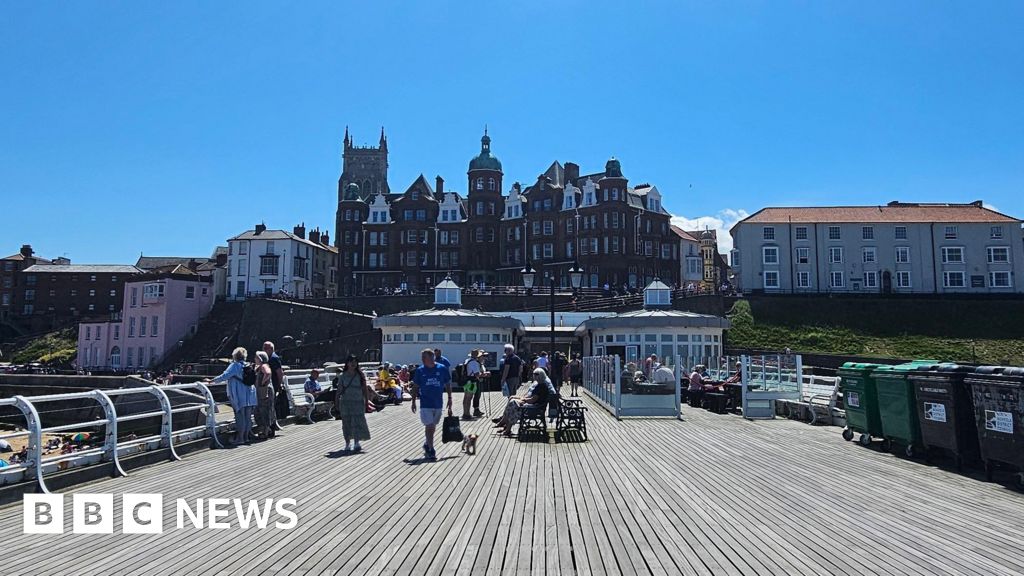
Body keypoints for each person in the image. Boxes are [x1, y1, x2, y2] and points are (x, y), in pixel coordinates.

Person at [208, 347, 256, 446]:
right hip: (250, 394)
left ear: (235, 356)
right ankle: (246, 437)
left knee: (240, 416)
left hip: (239, 394)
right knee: (247, 417)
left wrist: (211, 381)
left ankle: (240, 438)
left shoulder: (234, 365)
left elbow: (224, 376)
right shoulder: (247, 365)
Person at [411, 348, 453, 461]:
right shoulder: (420, 370)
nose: (422, 360)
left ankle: (427, 443)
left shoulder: (442, 368)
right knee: (429, 426)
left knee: (433, 426)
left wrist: (450, 398)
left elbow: (448, 384)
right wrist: (413, 401)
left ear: (431, 357)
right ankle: (431, 449)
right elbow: (415, 386)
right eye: (422, 358)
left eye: (424, 357)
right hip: (425, 403)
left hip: (438, 402)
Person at [494, 368, 554, 437]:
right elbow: (531, 397)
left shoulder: (541, 387)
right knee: (512, 401)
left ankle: (506, 427)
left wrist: (523, 400)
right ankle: (506, 426)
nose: (533, 376)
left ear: (540, 376)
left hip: (536, 408)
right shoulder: (538, 385)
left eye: (535, 375)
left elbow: (532, 400)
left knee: (514, 405)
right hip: (534, 406)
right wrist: (521, 398)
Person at [332, 355, 372, 452]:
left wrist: (367, 401)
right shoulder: (343, 376)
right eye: (351, 361)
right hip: (346, 403)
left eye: (355, 361)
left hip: (358, 402)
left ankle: (356, 442)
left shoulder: (360, 375)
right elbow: (339, 390)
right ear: (347, 363)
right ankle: (347, 443)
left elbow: (364, 389)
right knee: (346, 423)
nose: (353, 363)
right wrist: (336, 402)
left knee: (357, 422)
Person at [253, 351, 276, 439]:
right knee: (264, 409)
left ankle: (265, 431)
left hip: (264, 391)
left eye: (256, 357)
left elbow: (268, 373)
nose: (255, 359)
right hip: (264, 390)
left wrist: (262, 382)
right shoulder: (260, 366)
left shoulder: (264, 365)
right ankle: (266, 430)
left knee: (263, 410)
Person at [264, 341, 286, 431]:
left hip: (273, 385)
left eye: (265, 348)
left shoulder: (273, 358)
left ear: (271, 349)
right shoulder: (269, 358)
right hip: (271, 385)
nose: (263, 349)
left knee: (270, 406)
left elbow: (280, 373)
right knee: (271, 406)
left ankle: (272, 425)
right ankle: (274, 423)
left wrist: (279, 384)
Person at [461, 350, 489, 420]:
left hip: (466, 381)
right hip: (472, 382)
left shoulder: (467, 361)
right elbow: (477, 374)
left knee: (465, 398)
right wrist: (485, 374)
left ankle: (465, 412)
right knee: (469, 398)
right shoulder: (474, 362)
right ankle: (467, 414)